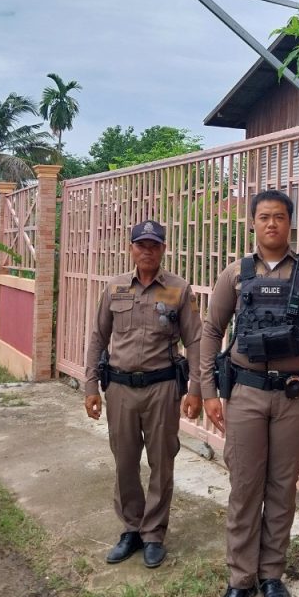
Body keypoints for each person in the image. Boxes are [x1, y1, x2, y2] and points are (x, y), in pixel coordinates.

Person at [200, 190, 299, 597]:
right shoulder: (235, 274)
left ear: (290, 223)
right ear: (252, 223)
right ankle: (240, 578)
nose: (271, 224)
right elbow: (211, 330)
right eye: (264, 217)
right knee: (245, 486)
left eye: (279, 217)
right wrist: (207, 390)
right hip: (245, 394)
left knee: (282, 487)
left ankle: (271, 575)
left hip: (296, 396)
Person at [84, 219, 202, 569]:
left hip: (162, 389)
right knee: (124, 461)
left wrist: (196, 389)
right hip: (120, 388)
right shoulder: (115, 288)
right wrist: (91, 385)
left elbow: (195, 341)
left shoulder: (179, 290)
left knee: (162, 462)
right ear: (131, 248)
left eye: (154, 245)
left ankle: (153, 534)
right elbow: (98, 337)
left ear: (163, 249)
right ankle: (131, 529)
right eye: (141, 245)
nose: (147, 251)